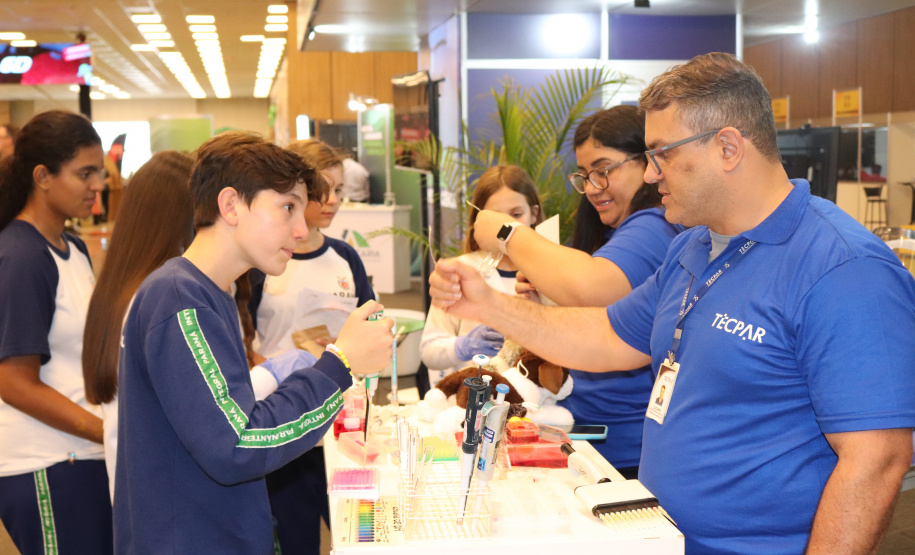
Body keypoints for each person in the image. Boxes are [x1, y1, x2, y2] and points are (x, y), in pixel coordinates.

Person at [429, 53, 915, 554]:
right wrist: (487, 303)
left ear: (728, 147)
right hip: (658, 535)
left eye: (662, 153)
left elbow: (876, 460)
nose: (651, 173)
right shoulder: (693, 245)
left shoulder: (843, 268)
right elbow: (607, 336)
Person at [114, 132, 394, 553]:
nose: (301, 230)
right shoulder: (180, 301)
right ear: (230, 205)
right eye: (287, 208)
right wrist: (340, 364)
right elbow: (237, 445)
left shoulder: (212, 292)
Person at [472, 106, 682, 477]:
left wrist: (507, 234)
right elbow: (590, 314)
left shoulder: (653, 227)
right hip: (588, 435)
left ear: (647, 164)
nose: (592, 188)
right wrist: (545, 301)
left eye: (604, 171)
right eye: (585, 176)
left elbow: (591, 290)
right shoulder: (617, 232)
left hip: (622, 449)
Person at [249, 139, 374, 555]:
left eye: (340, 190)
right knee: (297, 541)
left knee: (358, 537)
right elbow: (239, 338)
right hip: (285, 425)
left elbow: (371, 320)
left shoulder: (345, 257)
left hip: (345, 425)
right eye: (325, 191)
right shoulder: (263, 263)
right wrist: (278, 370)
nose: (334, 201)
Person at [0, 110, 112, 554]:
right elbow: (13, 382)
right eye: (85, 173)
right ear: (42, 176)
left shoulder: (75, 247)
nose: (98, 185)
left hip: (81, 457)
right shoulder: (21, 256)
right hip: (45, 464)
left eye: (100, 172)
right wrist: (105, 431)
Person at [81, 150, 196, 501]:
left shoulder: (122, 288)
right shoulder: (164, 297)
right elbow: (204, 408)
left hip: (142, 498)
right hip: (170, 502)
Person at [420, 165, 543, 386]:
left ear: (534, 213)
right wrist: (464, 346)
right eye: (496, 219)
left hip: (538, 405)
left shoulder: (552, 274)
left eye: (516, 215)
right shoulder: (461, 272)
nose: (509, 228)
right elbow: (429, 352)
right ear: (480, 221)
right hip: (471, 406)